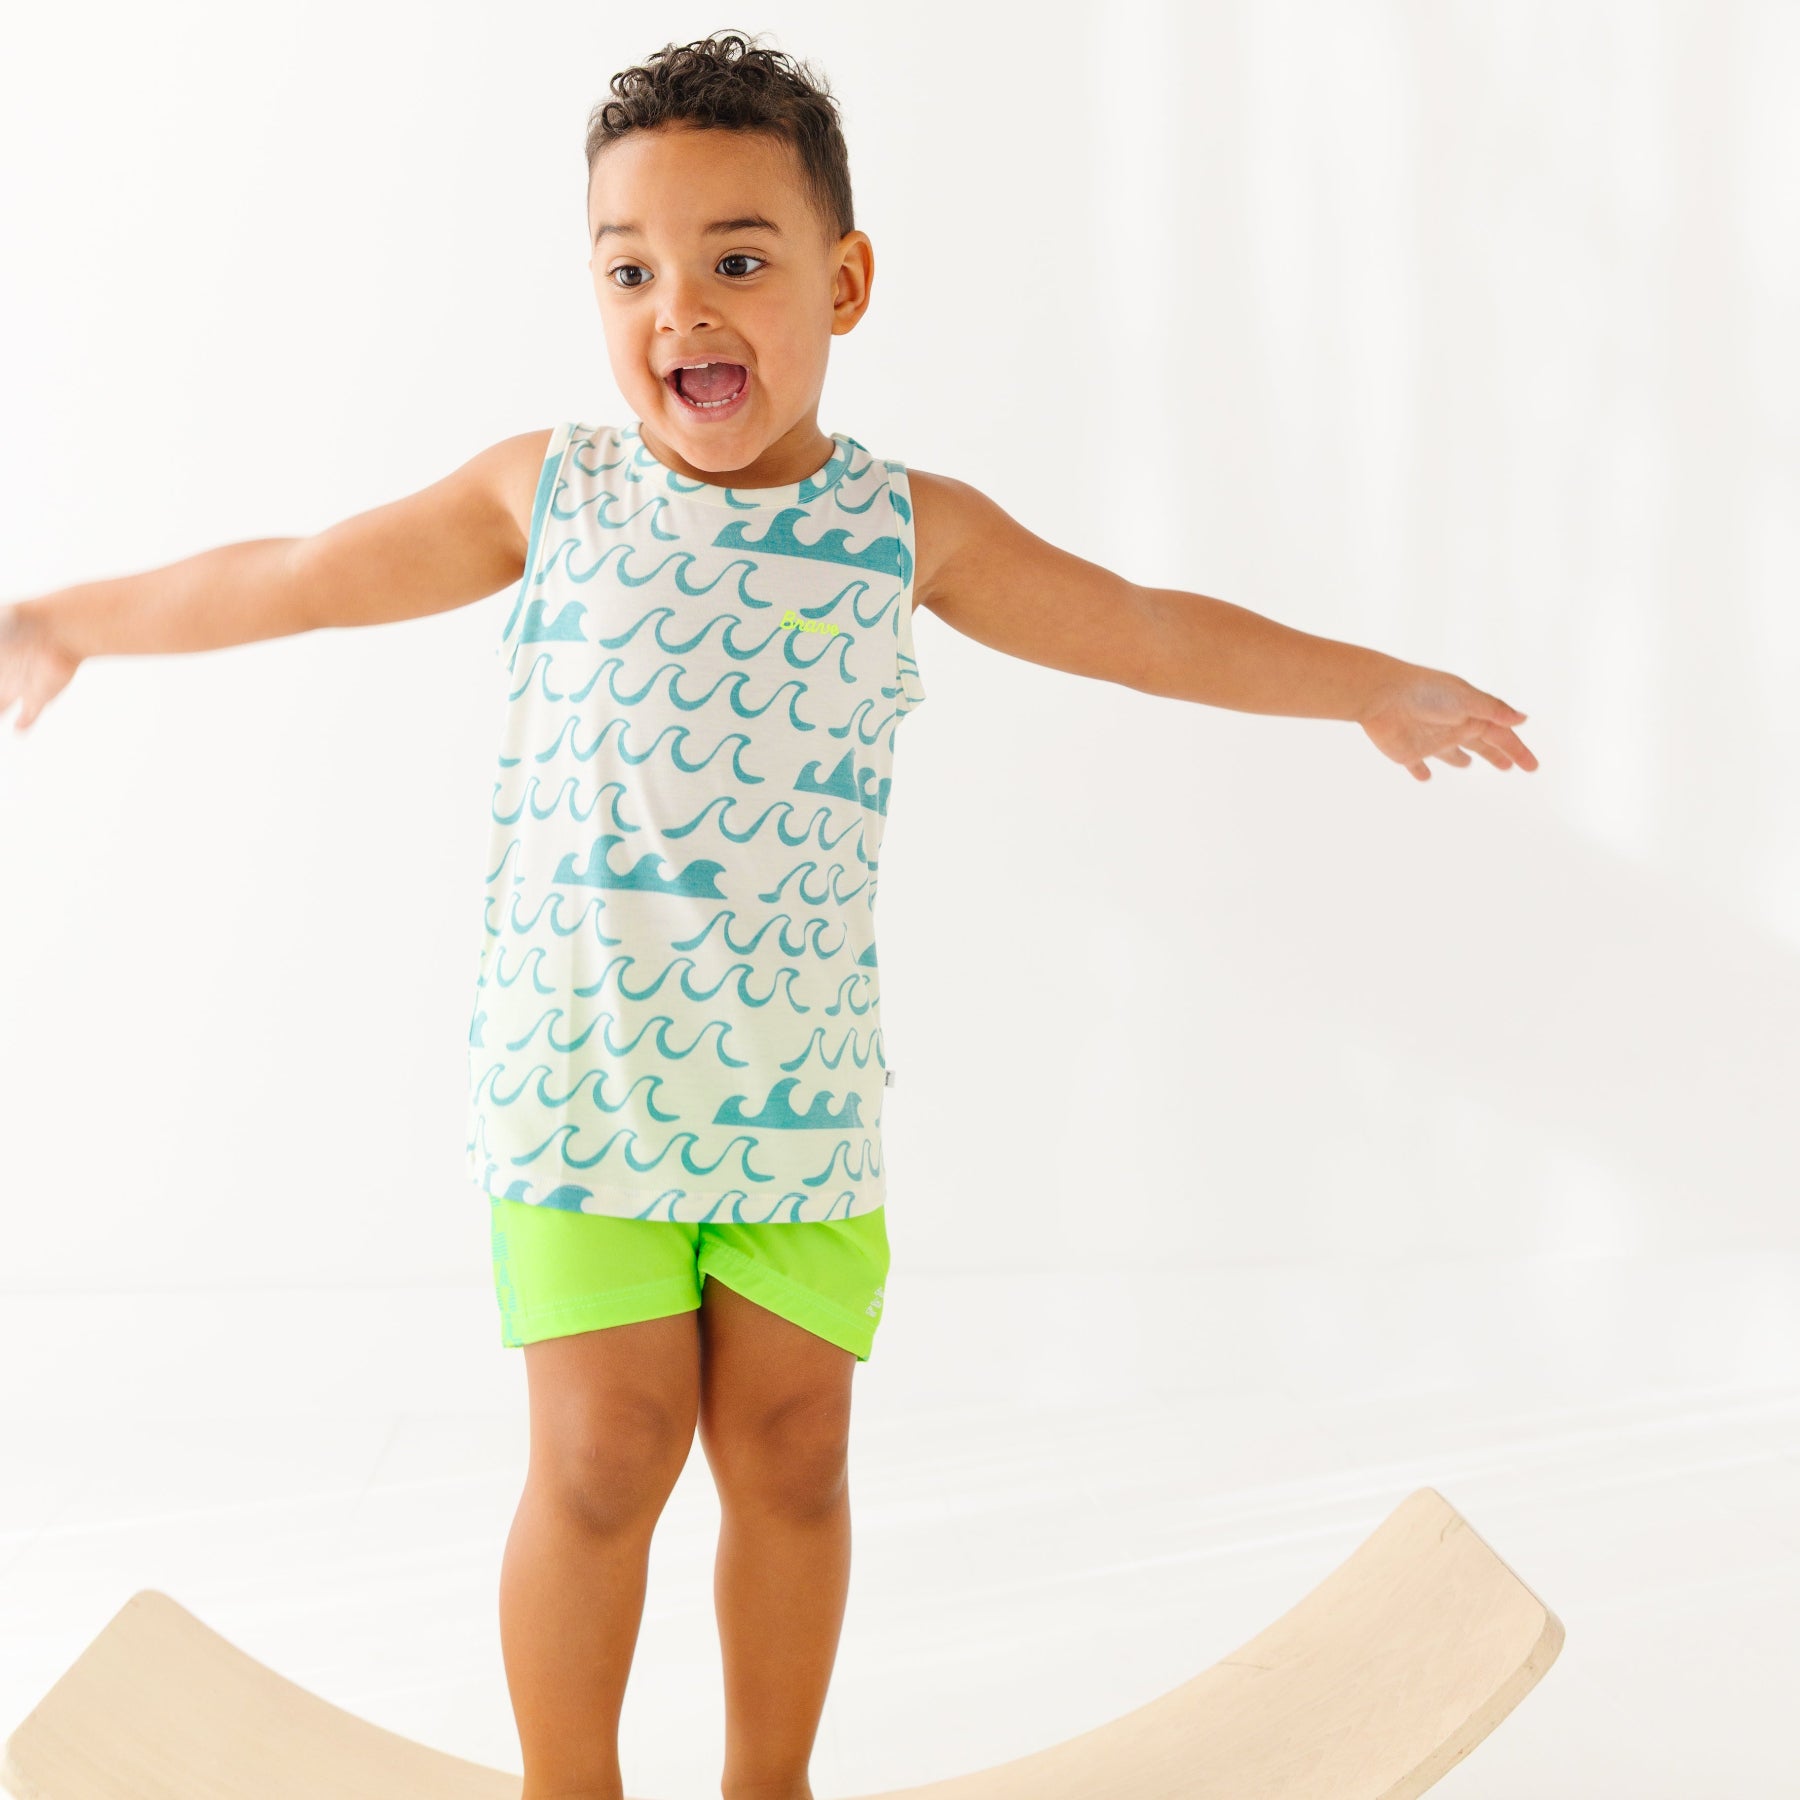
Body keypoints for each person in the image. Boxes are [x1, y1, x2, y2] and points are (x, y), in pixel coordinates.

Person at [0, 28, 1538, 1800]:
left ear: (845, 280)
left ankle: (767, 1784)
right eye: (632, 269)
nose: (685, 309)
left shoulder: (907, 530)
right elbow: (294, 575)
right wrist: (68, 619)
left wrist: (1369, 685)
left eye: (740, 260)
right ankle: (570, 1785)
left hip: (798, 1101)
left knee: (795, 1455)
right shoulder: (549, 494)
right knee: (601, 1461)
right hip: (579, 1086)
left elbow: (1143, 623)